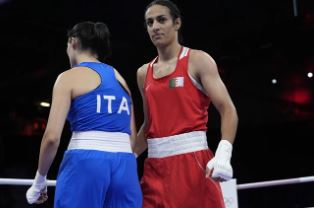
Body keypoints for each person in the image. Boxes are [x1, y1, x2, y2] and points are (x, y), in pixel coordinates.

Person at [133, 0, 239, 207]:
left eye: (161, 20)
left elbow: (228, 110)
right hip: (154, 169)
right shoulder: (143, 73)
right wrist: (125, 160)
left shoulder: (198, 60)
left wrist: (224, 154)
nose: (155, 27)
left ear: (177, 23)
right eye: (149, 22)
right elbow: (149, 126)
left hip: (192, 164)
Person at [26, 21, 142, 208]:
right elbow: (132, 140)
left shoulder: (69, 77)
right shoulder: (121, 80)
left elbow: (52, 137)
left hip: (86, 163)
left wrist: (40, 180)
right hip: (126, 166)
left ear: (72, 42)